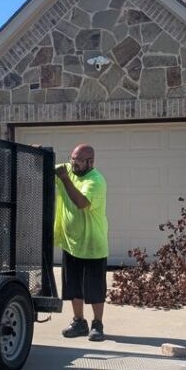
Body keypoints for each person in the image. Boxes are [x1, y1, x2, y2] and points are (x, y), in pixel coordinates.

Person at [54, 143, 108, 341]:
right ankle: (79, 322)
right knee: (73, 286)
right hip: (71, 243)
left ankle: (97, 324)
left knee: (94, 288)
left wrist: (65, 178)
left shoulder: (96, 181)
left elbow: (81, 203)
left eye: (77, 161)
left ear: (90, 161)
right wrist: (38, 153)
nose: (73, 163)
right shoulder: (67, 170)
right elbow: (43, 168)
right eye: (72, 158)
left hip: (93, 245)